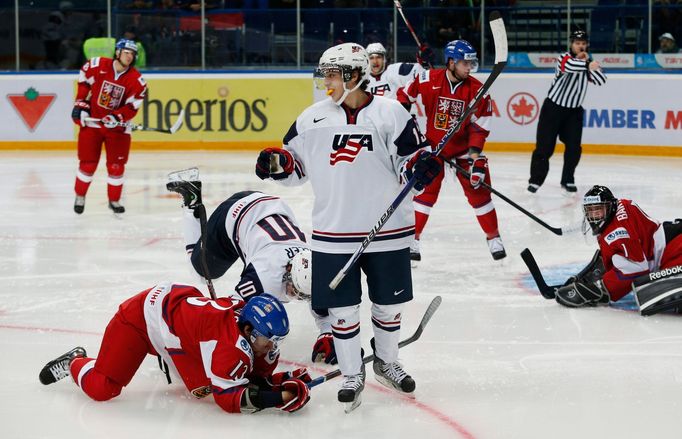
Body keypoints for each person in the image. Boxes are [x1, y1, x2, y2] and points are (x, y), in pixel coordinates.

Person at [254, 42, 442, 411]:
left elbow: (409, 161)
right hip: (333, 233)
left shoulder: (393, 114)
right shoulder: (311, 118)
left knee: (389, 306)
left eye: (332, 74)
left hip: (387, 230)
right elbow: (295, 166)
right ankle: (353, 372)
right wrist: (277, 164)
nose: (326, 82)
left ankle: (387, 362)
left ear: (355, 76)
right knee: (342, 310)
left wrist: (421, 168)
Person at [38, 285, 311, 414]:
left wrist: (278, 381)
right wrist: (278, 397)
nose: (273, 346)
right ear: (249, 331)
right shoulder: (229, 347)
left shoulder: (245, 328)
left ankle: (170, 355)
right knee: (103, 388)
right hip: (140, 321)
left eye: (278, 340)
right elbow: (227, 397)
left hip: (175, 321)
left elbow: (251, 374)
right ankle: (77, 361)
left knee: (200, 387)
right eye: (269, 339)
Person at [165, 178, 337, 365]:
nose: (292, 295)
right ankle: (191, 204)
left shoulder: (312, 269)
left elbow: (324, 311)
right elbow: (229, 313)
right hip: (235, 213)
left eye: (299, 294)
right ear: (287, 269)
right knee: (200, 271)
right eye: (292, 288)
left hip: (270, 206)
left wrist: (327, 333)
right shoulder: (263, 277)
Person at [397, 39, 506, 262]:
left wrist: (476, 159)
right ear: (451, 62)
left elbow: (479, 127)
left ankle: (493, 237)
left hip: (464, 151)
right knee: (424, 194)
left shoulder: (478, 90)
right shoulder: (428, 79)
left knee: (480, 193)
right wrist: (404, 121)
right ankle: (413, 240)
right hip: (434, 148)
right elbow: (404, 96)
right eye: (465, 63)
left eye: (471, 63)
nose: (469, 67)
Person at [554, 185, 682, 310]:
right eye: (591, 210)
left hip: (675, 248)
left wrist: (601, 289)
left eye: (598, 209)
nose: (594, 216)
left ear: (610, 207)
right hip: (671, 237)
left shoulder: (618, 233)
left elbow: (636, 269)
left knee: (661, 289)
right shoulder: (621, 204)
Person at [71, 38, 147, 215]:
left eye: (132, 54)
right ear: (118, 52)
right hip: (93, 124)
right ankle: (80, 196)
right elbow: (83, 82)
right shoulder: (97, 65)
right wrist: (80, 105)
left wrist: (117, 116)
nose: (129, 57)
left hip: (117, 129)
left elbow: (133, 106)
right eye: (126, 53)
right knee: (87, 164)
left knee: (116, 166)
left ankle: (114, 200)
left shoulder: (137, 80)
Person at [527, 30, 607, 195]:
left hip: (574, 112)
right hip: (553, 109)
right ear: (571, 44)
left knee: (574, 148)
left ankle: (568, 179)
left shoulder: (588, 63)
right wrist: (588, 65)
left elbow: (601, 80)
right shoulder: (564, 58)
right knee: (544, 147)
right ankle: (535, 180)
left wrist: (590, 65)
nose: (581, 46)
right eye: (578, 43)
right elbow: (569, 67)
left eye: (584, 43)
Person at [365, 42, 431, 132]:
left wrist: (422, 61)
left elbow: (419, 72)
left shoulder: (395, 70)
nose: (375, 61)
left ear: (384, 58)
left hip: (397, 123)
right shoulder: (363, 79)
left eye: (378, 57)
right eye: (371, 58)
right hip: (374, 125)